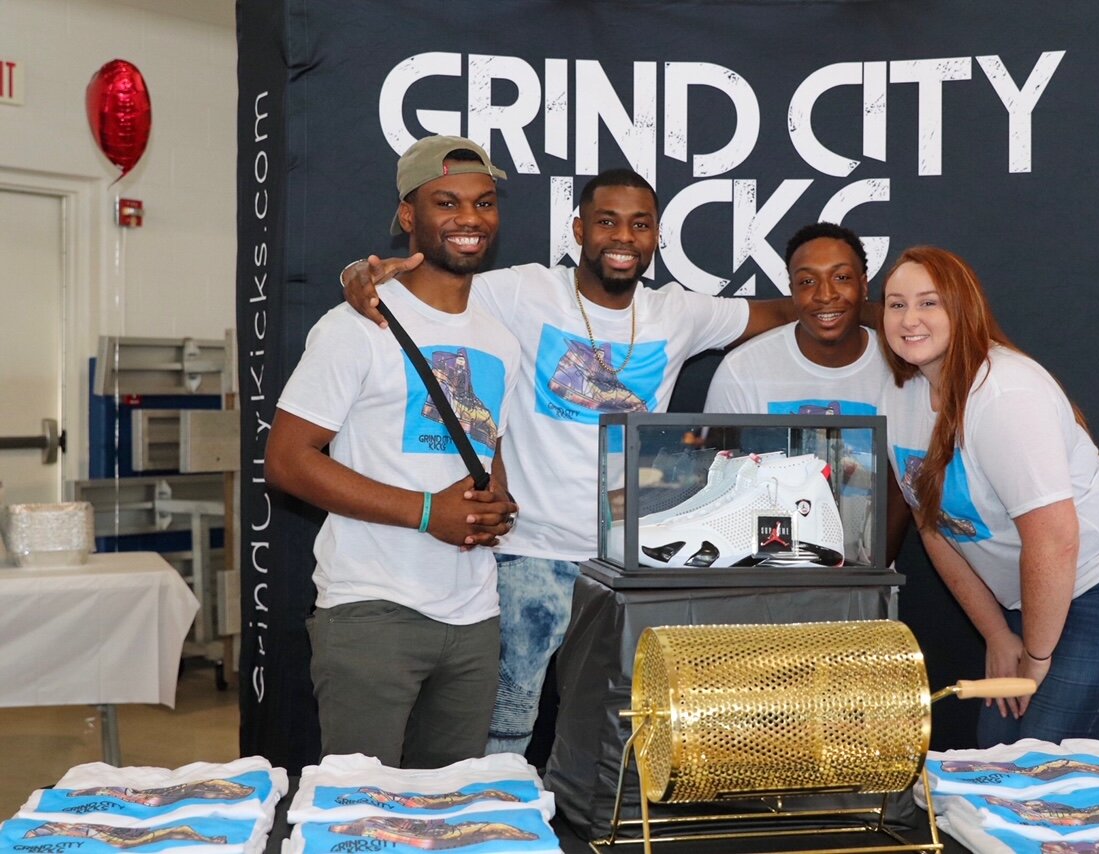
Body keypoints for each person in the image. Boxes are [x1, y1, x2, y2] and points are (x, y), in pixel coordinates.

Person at [341, 167, 798, 757]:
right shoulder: (526, 289)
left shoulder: (678, 313)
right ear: (579, 229)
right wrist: (356, 273)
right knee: (502, 727)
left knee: (622, 729)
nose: (623, 237)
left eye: (639, 224)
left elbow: (788, 313)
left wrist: (881, 315)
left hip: (627, 567)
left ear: (657, 237)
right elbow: (425, 279)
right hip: (527, 556)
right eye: (607, 221)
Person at [265, 136, 521, 768]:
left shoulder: (500, 337)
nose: (470, 218)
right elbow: (289, 459)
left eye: (484, 202)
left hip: (474, 616)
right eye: (447, 202)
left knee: (451, 816)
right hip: (371, 609)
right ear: (410, 217)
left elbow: (487, 445)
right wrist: (428, 512)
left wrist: (497, 500)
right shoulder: (357, 323)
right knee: (360, 818)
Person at [878, 245, 1099, 746]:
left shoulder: (1004, 394)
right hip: (1039, 593)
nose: (909, 318)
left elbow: (1054, 538)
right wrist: (1000, 635)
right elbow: (932, 525)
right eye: (896, 304)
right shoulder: (900, 393)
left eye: (928, 303)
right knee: (996, 758)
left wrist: (1038, 656)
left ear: (964, 308)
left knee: (1043, 768)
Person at [704, 222, 909, 563]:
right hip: (762, 574)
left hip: (866, 575)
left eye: (841, 277)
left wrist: (867, 572)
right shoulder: (743, 369)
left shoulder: (901, 366)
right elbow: (717, 487)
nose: (825, 294)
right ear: (792, 290)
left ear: (864, 284)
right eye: (807, 281)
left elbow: (907, 486)